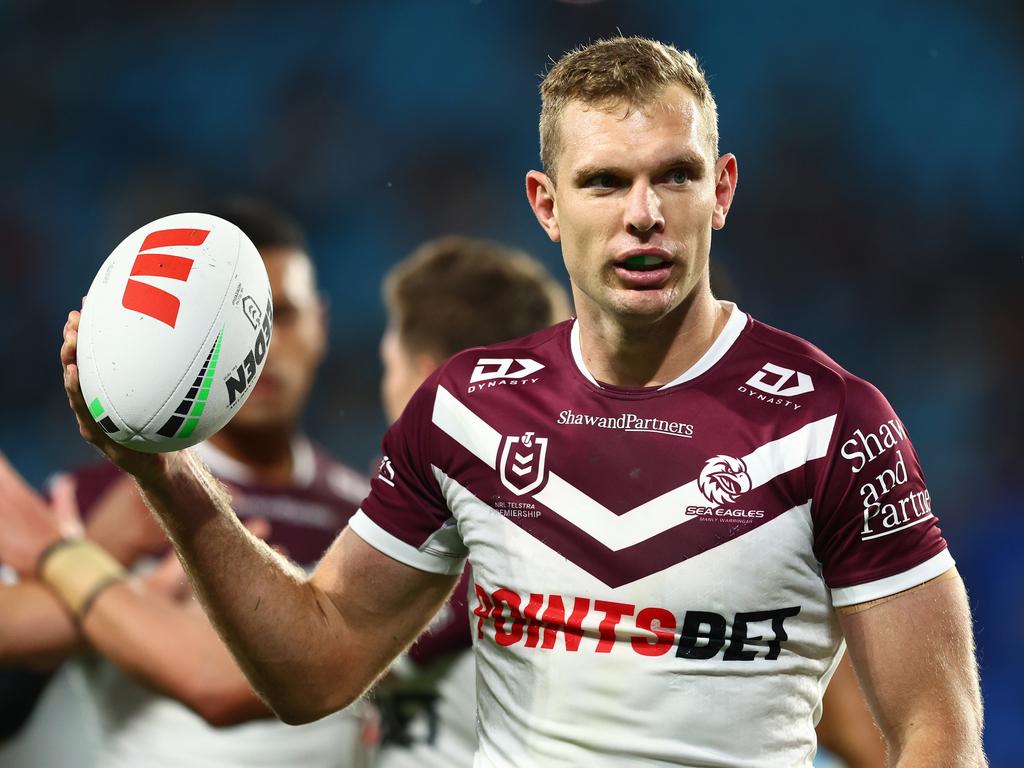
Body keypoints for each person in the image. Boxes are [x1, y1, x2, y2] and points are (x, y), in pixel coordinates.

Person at [51, 37, 985, 767]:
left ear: (723, 188)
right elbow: (314, 665)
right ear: (545, 204)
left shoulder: (834, 425)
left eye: (676, 176)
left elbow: (938, 737)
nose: (644, 215)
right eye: (605, 182)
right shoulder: (464, 410)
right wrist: (166, 475)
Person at [0, 200, 372, 767]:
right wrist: (98, 551)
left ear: (321, 325)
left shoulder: (369, 514)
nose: (262, 345)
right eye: (219, 323)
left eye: (281, 315)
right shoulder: (94, 499)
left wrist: (73, 562)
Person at [374, 236, 570, 767]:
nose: (385, 386)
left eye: (389, 365)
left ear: (427, 379)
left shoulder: (487, 541)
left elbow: (313, 664)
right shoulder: (561, 518)